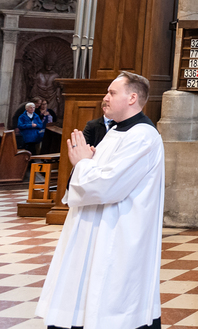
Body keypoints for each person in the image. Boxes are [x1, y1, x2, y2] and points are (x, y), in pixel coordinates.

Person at [37, 71, 164, 329]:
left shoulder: (142, 135)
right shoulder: (116, 131)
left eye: (112, 92)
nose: (105, 97)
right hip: (94, 229)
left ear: (132, 98)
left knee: (110, 300)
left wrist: (83, 163)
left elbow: (108, 186)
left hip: (116, 233)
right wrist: (88, 162)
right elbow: (100, 176)